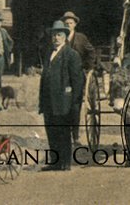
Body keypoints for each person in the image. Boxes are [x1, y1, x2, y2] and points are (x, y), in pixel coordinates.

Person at [39, 21, 84, 171]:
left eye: (59, 35)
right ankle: (55, 161)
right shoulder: (48, 53)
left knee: (63, 131)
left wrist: (74, 101)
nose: (56, 38)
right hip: (49, 100)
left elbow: (77, 80)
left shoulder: (71, 54)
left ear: (65, 37)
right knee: (51, 130)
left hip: (63, 101)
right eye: (54, 35)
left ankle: (65, 162)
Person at [61, 10, 97, 142]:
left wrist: (88, 68)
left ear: (75, 24)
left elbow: (91, 52)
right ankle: (64, 134)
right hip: (62, 76)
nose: (68, 25)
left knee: (75, 106)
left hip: (77, 76)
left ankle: (75, 136)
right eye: (66, 23)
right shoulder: (59, 37)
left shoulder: (81, 38)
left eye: (70, 23)